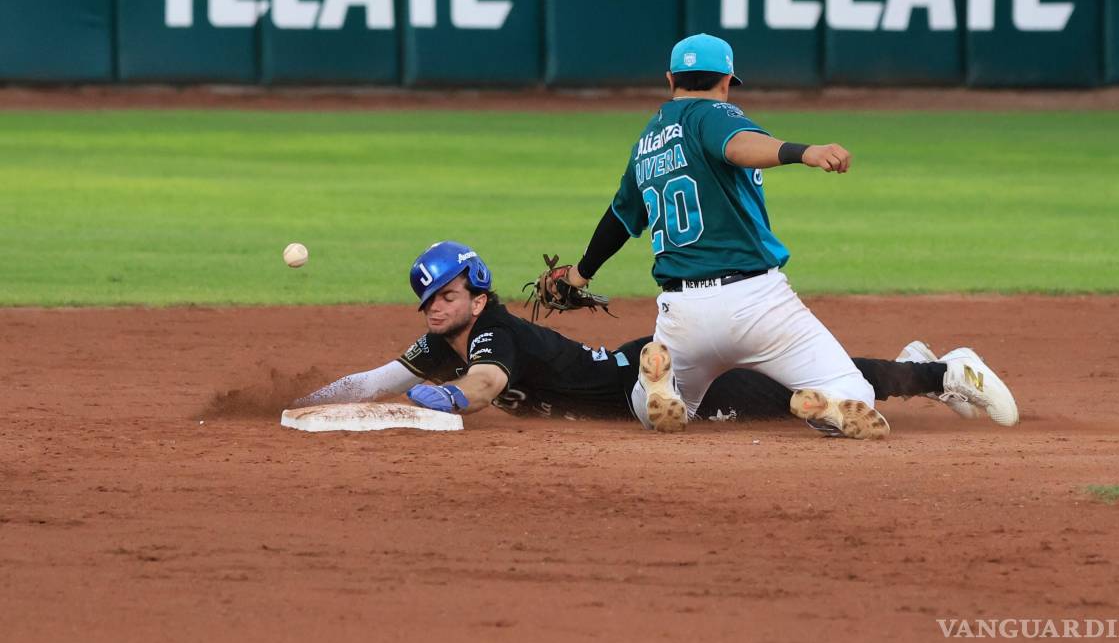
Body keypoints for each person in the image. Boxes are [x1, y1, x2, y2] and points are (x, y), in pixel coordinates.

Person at [554, 33, 1019, 437]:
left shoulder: (647, 144)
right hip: (759, 304)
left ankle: (659, 386)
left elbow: (618, 219)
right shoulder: (714, 115)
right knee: (855, 390)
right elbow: (738, 147)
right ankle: (825, 404)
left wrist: (580, 274)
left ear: (669, 79)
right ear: (727, 82)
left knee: (658, 410)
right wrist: (804, 151)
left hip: (683, 314)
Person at [293, 241, 1014, 434]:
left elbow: (482, 387)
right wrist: (308, 401)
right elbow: (379, 377)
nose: (434, 309)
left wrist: (443, 400)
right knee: (790, 383)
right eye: (427, 301)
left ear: (477, 294)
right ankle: (918, 366)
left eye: (446, 296)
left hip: (647, 380)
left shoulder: (490, 334)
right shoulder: (442, 339)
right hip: (642, 375)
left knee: (786, 390)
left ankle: (934, 372)